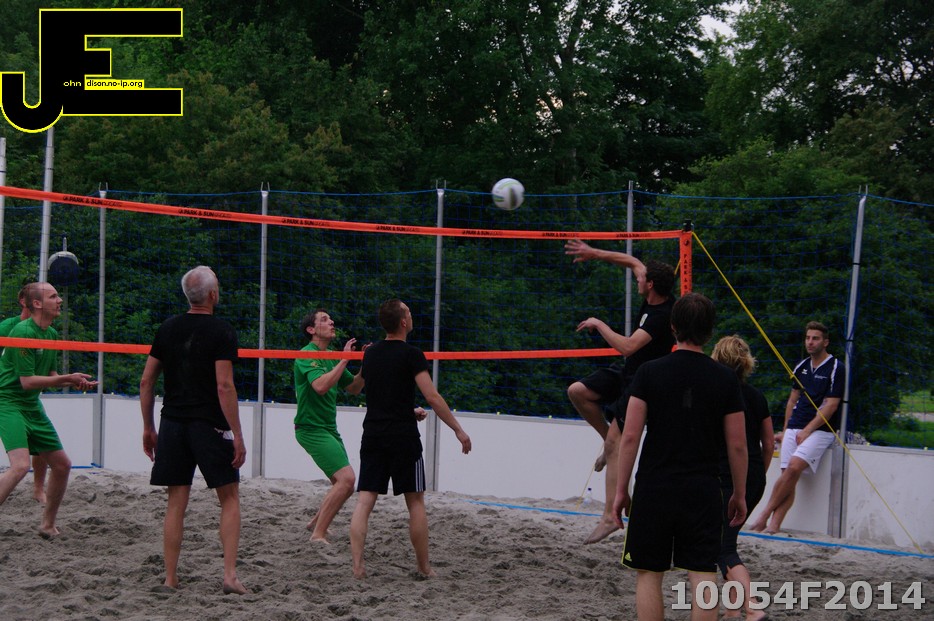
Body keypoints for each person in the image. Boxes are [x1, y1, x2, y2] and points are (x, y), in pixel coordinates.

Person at [613, 292, 747, 621]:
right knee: (703, 572)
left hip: (655, 485)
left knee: (649, 573)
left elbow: (630, 436)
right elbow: (738, 445)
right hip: (702, 487)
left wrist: (620, 490)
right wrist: (739, 493)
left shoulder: (649, 372)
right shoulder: (726, 379)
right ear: (710, 331)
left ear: (672, 327)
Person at [139, 266, 248, 595]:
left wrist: (148, 427)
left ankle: (170, 579)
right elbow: (224, 386)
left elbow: (146, 382)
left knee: (176, 502)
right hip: (209, 424)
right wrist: (237, 434)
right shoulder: (222, 331)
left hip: (172, 423)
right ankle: (229, 576)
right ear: (213, 295)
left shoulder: (167, 328)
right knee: (229, 498)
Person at [349, 298, 472, 579]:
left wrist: (352, 361)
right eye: (409, 312)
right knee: (415, 502)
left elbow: (355, 389)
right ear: (403, 322)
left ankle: (357, 567)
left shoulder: (371, 354)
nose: (412, 316)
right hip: (403, 437)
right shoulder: (412, 354)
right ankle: (424, 568)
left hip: (374, 434)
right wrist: (457, 429)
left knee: (364, 501)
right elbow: (433, 397)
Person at [565, 239, 675, 544]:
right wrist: (593, 253)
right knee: (577, 391)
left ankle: (609, 517)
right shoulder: (652, 290)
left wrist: (598, 323)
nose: (637, 279)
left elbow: (627, 346)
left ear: (650, 285)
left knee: (618, 443)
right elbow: (632, 262)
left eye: (642, 279)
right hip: (627, 372)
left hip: (644, 384)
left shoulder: (662, 315)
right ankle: (608, 444)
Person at [0, 282, 97, 537]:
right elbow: (27, 381)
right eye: (53, 296)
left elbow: (51, 375)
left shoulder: (51, 333)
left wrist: (74, 381)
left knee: (62, 465)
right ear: (37, 304)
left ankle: (47, 525)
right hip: (7, 402)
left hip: (31, 404)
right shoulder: (22, 331)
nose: (60, 300)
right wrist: (67, 378)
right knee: (20, 466)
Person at [748, 321, 844, 535]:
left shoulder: (836, 367)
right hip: (794, 426)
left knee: (792, 469)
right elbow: (792, 401)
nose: (810, 342)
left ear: (825, 342)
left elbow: (831, 405)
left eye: (815, 338)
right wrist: (785, 430)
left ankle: (763, 515)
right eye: (808, 338)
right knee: (788, 476)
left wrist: (808, 430)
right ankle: (774, 525)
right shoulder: (801, 366)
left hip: (821, 430)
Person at [711, 335, 774, 621]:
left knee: (722, 548)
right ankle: (733, 611)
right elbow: (768, 444)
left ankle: (752, 607)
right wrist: (757, 474)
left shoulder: (716, 395)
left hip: (727, 477)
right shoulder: (757, 396)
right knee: (726, 542)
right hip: (754, 477)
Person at [293, 309, 364, 543]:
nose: (331, 321)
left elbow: (354, 388)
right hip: (310, 429)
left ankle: (316, 523)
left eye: (330, 318)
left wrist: (366, 366)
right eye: (324, 319)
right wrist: (345, 359)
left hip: (328, 428)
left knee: (342, 484)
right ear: (311, 330)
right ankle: (318, 534)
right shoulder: (306, 354)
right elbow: (321, 386)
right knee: (347, 480)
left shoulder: (331, 356)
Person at [0, 283, 50, 504]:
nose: (58, 301)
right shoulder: (10, 327)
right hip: (7, 394)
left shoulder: (45, 331)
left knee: (41, 446)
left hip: (27, 396)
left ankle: (38, 489)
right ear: (25, 302)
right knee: (20, 464)